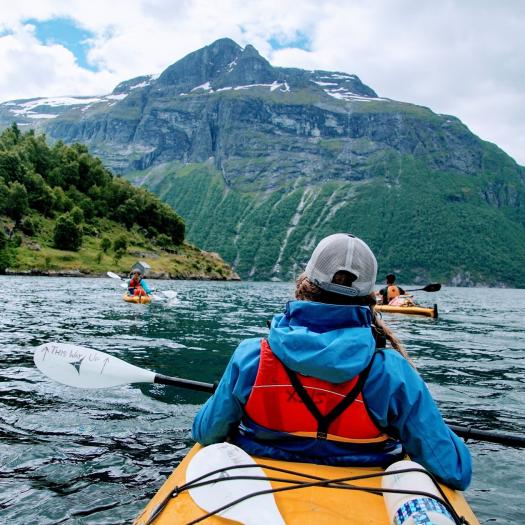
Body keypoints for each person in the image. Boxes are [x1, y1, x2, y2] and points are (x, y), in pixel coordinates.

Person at [192, 233, 471, 490]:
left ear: (303, 286)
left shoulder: (251, 357)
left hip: (257, 489)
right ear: (369, 300)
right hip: (362, 489)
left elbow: (206, 432)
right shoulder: (392, 373)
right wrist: (432, 425)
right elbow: (454, 470)